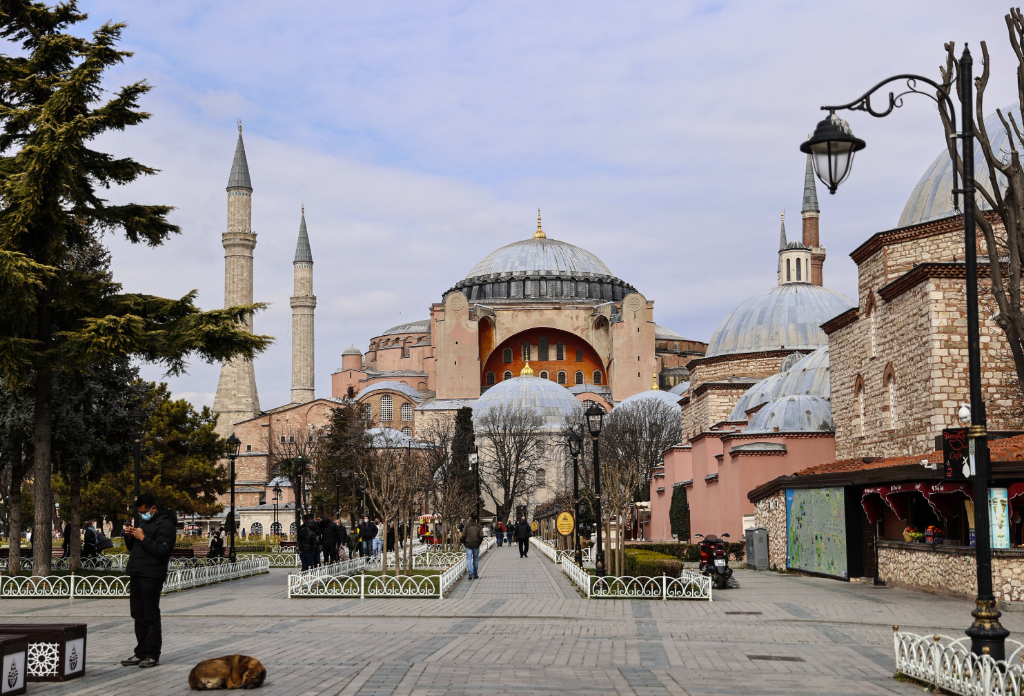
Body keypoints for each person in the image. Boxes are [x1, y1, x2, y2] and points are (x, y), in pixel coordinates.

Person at [120, 493, 176, 669]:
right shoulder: (144, 524)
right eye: (140, 512)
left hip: (152, 574)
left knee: (150, 615)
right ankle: (141, 652)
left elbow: (162, 551)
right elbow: (134, 549)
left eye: (144, 511)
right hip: (137, 572)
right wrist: (130, 537)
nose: (142, 515)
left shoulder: (166, 525)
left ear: (154, 508)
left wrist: (143, 538)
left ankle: (152, 654)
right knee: (138, 614)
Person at [460, 514, 484, 579]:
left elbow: (463, 535)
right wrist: (479, 542)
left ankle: (470, 573)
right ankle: (475, 574)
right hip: (476, 544)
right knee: (475, 559)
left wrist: (465, 542)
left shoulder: (467, 525)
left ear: (470, 517)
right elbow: (481, 536)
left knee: (469, 559)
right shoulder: (478, 526)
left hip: (468, 544)